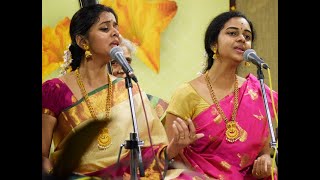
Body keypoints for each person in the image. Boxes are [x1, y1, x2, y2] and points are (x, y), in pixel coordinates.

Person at [42, 4, 194, 179]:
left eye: (116, 27)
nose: (115, 32)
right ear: (83, 42)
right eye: (105, 28)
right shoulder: (54, 90)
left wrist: (174, 146)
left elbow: (149, 153)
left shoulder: (129, 88)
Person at [164, 11, 278, 179]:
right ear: (213, 43)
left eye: (247, 36)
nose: (242, 39)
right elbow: (163, 158)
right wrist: (175, 147)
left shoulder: (256, 92)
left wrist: (265, 159)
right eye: (232, 33)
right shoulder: (187, 93)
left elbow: (264, 152)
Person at [109, 37, 169, 123]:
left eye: (127, 62)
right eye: (114, 63)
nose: (122, 69)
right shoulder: (94, 104)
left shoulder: (152, 104)